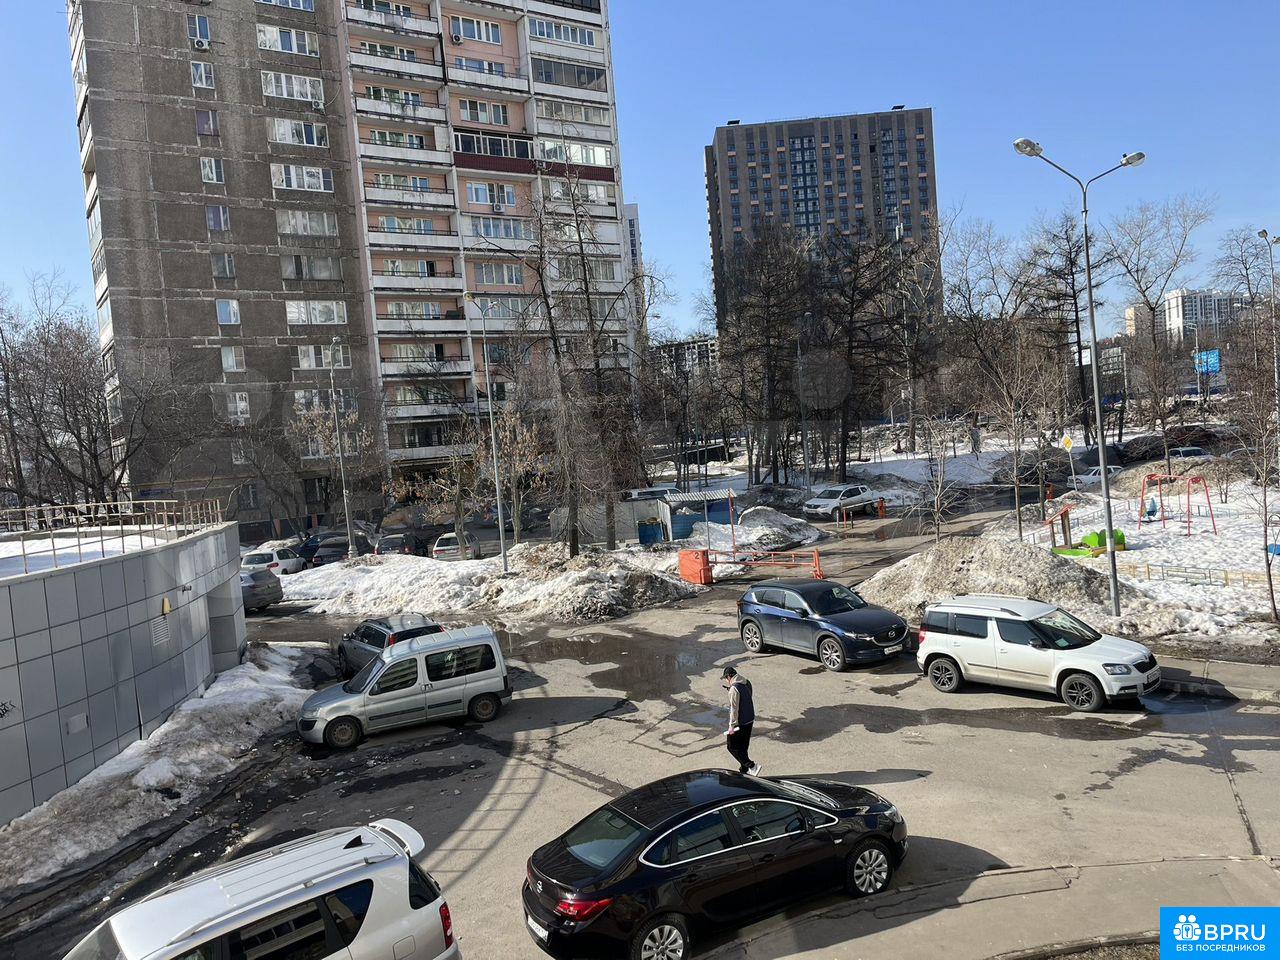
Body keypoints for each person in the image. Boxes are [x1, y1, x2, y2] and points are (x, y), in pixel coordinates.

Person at [722, 666, 760, 776]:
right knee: (743, 747)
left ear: (729, 677)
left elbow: (734, 709)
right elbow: (747, 695)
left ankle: (751, 766)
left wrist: (732, 726)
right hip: (750, 718)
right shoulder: (746, 682)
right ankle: (744, 770)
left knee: (732, 746)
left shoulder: (734, 689)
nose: (726, 681)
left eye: (726, 678)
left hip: (741, 722)